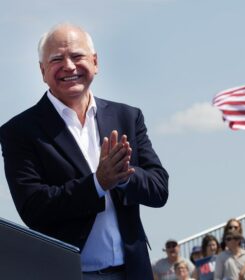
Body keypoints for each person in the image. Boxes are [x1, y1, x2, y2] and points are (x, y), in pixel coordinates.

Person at [0, 23, 169, 280]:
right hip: (70, 273)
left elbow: (159, 190)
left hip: (133, 272)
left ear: (95, 62)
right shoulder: (20, 131)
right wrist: (97, 184)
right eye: (57, 59)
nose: (69, 66)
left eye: (77, 56)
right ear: (42, 70)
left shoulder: (127, 117)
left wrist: (124, 177)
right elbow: (34, 209)